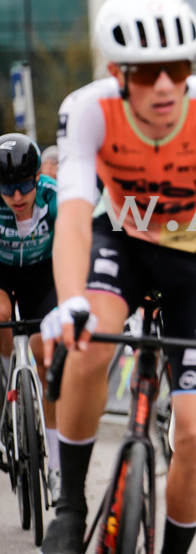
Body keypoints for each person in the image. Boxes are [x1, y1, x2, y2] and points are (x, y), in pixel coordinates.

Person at [40, 0, 196, 554]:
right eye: (145, 73)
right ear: (117, 74)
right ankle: (70, 504)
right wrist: (70, 299)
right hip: (124, 242)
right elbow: (73, 216)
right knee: (88, 346)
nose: (164, 85)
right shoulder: (87, 109)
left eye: (177, 68)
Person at [0, 133, 61, 498]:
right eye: (7, 189)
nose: (17, 197)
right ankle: (7, 377)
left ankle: (55, 465)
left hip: (43, 275)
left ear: (37, 177)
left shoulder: (53, 196)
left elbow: (76, 241)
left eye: (24, 186)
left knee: (46, 353)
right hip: (3, 275)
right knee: (1, 313)